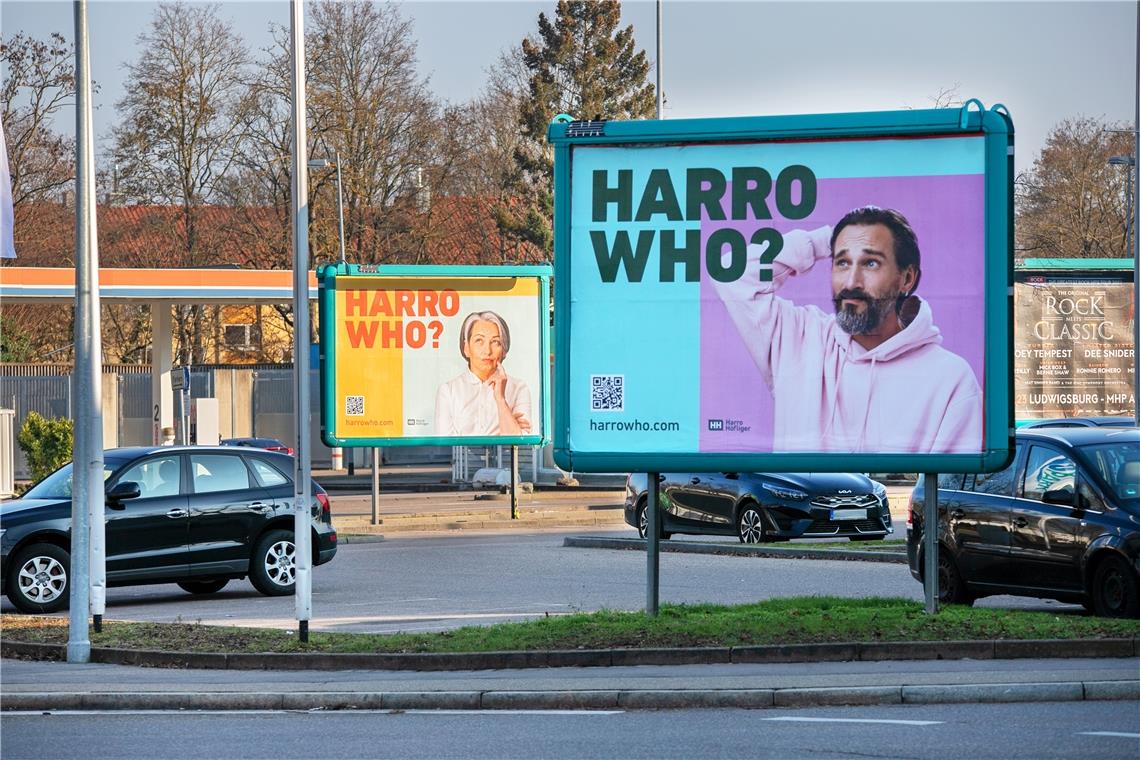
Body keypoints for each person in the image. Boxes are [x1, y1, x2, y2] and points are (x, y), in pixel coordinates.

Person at [712, 205, 982, 454]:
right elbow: (729, 271)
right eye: (842, 262)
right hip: (797, 507)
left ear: (907, 278)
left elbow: (944, 492)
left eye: (870, 263)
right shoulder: (800, 338)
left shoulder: (952, 380)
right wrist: (823, 241)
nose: (852, 282)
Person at [434, 310, 533, 436]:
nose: (487, 350)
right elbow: (446, 447)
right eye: (479, 341)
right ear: (466, 348)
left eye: (495, 342)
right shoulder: (448, 391)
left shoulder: (519, 388)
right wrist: (511, 424)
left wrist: (501, 399)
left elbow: (520, 445)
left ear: (504, 349)